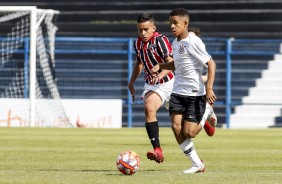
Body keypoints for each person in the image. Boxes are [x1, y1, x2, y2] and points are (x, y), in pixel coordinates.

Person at [151, 8, 217, 173]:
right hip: (178, 92)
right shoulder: (175, 43)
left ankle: (207, 111)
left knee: (190, 132)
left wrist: (209, 88)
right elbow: (175, 64)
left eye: (175, 23)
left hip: (195, 94)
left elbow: (211, 63)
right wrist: (161, 66)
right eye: (170, 23)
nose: (172, 26)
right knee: (176, 127)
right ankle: (197, 164)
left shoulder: (193, 42)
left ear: (185, 24)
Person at [128, 13, 175, 163]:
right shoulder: (137, 44)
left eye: (146, 29)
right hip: (153, 84)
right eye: (140, 30)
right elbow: (139, 64)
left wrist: (160, 74)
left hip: (171, 82)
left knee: (184, 128)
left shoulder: (160, 41)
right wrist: (131, 83)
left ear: (153, 28)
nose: (143, 33)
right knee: (149, 107)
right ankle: (157, 150)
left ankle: (205, 116)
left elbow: (172, 64)